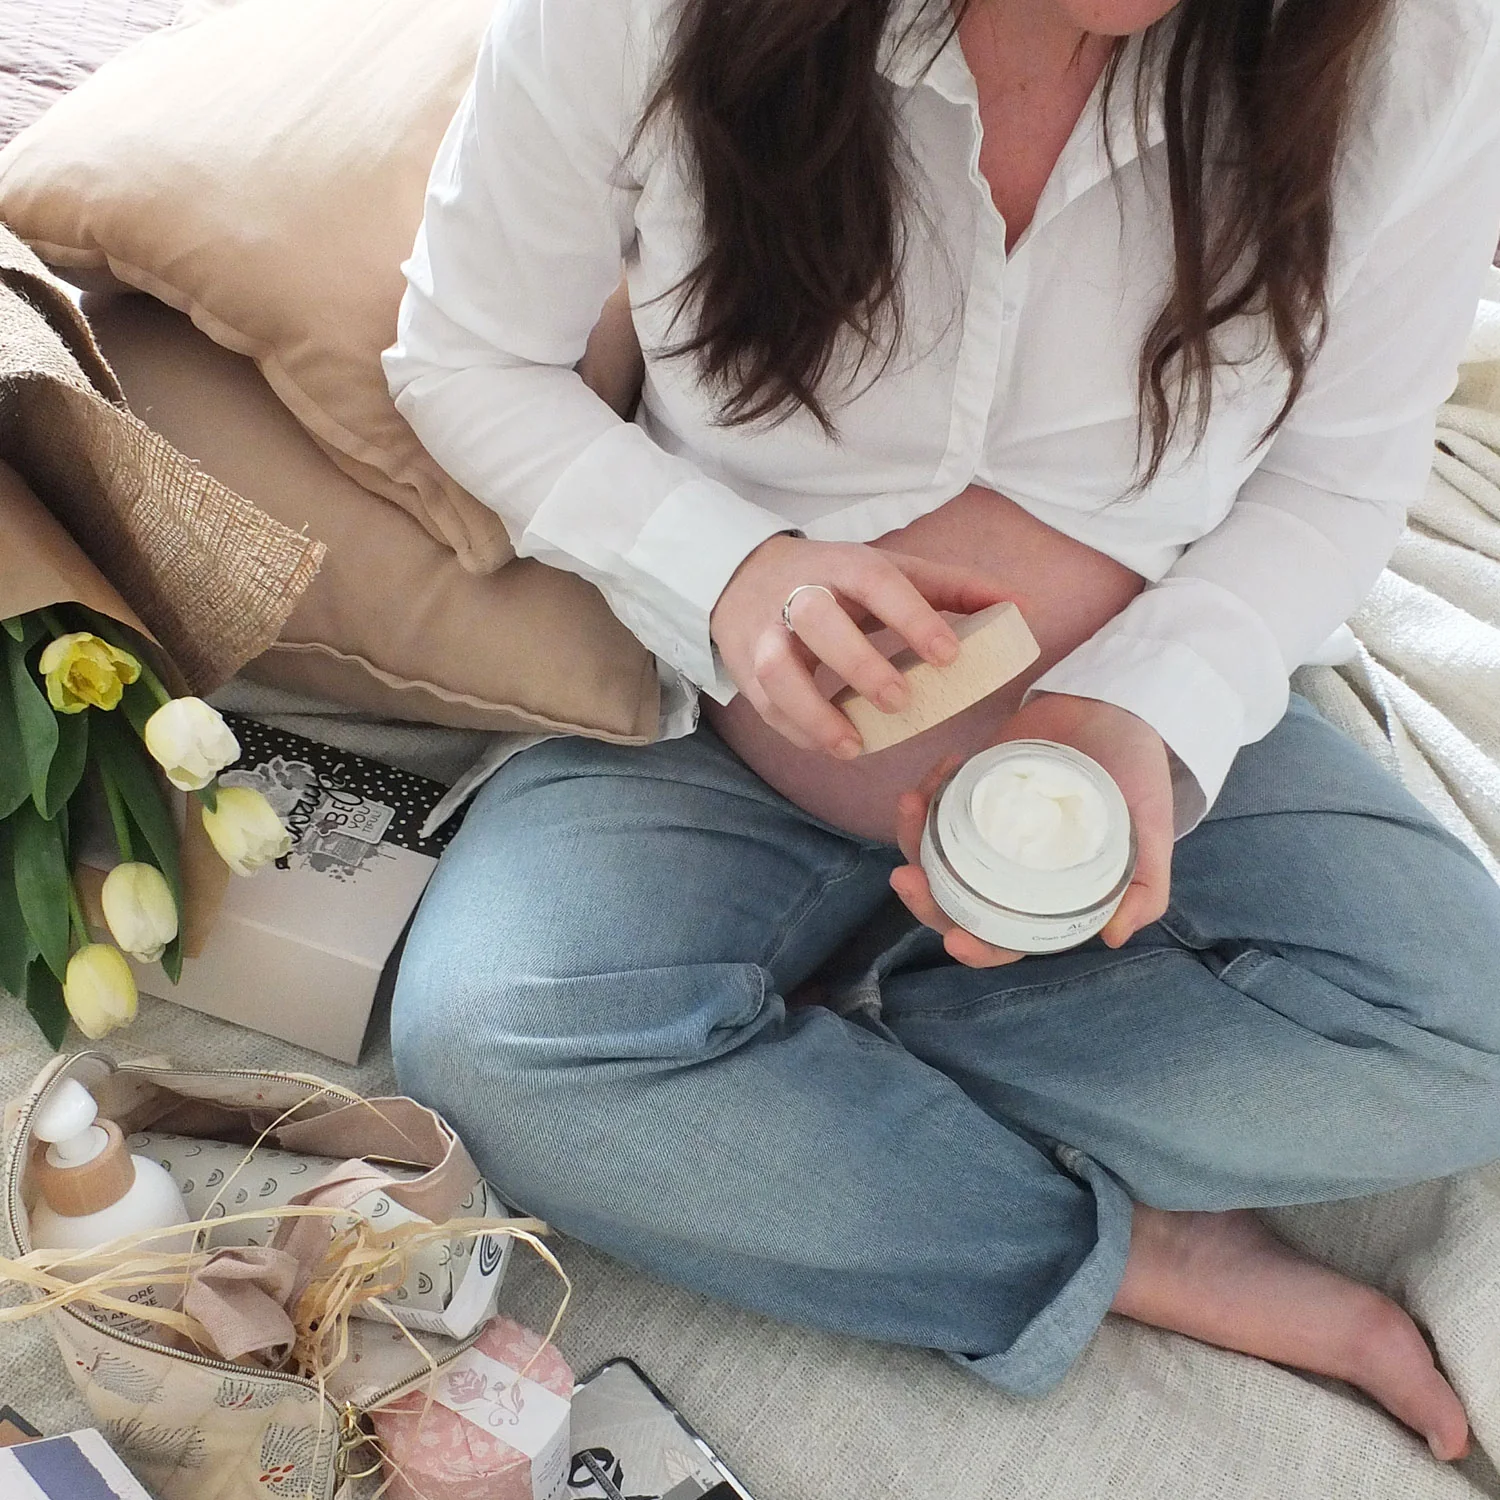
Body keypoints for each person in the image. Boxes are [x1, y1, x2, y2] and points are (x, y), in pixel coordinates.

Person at [384, 0, 1500, 1461]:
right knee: (497, 1041)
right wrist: (729, 575)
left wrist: (1149, 704)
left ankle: (813, 1063)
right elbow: (465, 356)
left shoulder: (1426, 45)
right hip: (710, 752)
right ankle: (1102, 1247)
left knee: (1470, 1040)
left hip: (1146, 746)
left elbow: (1339, 479)